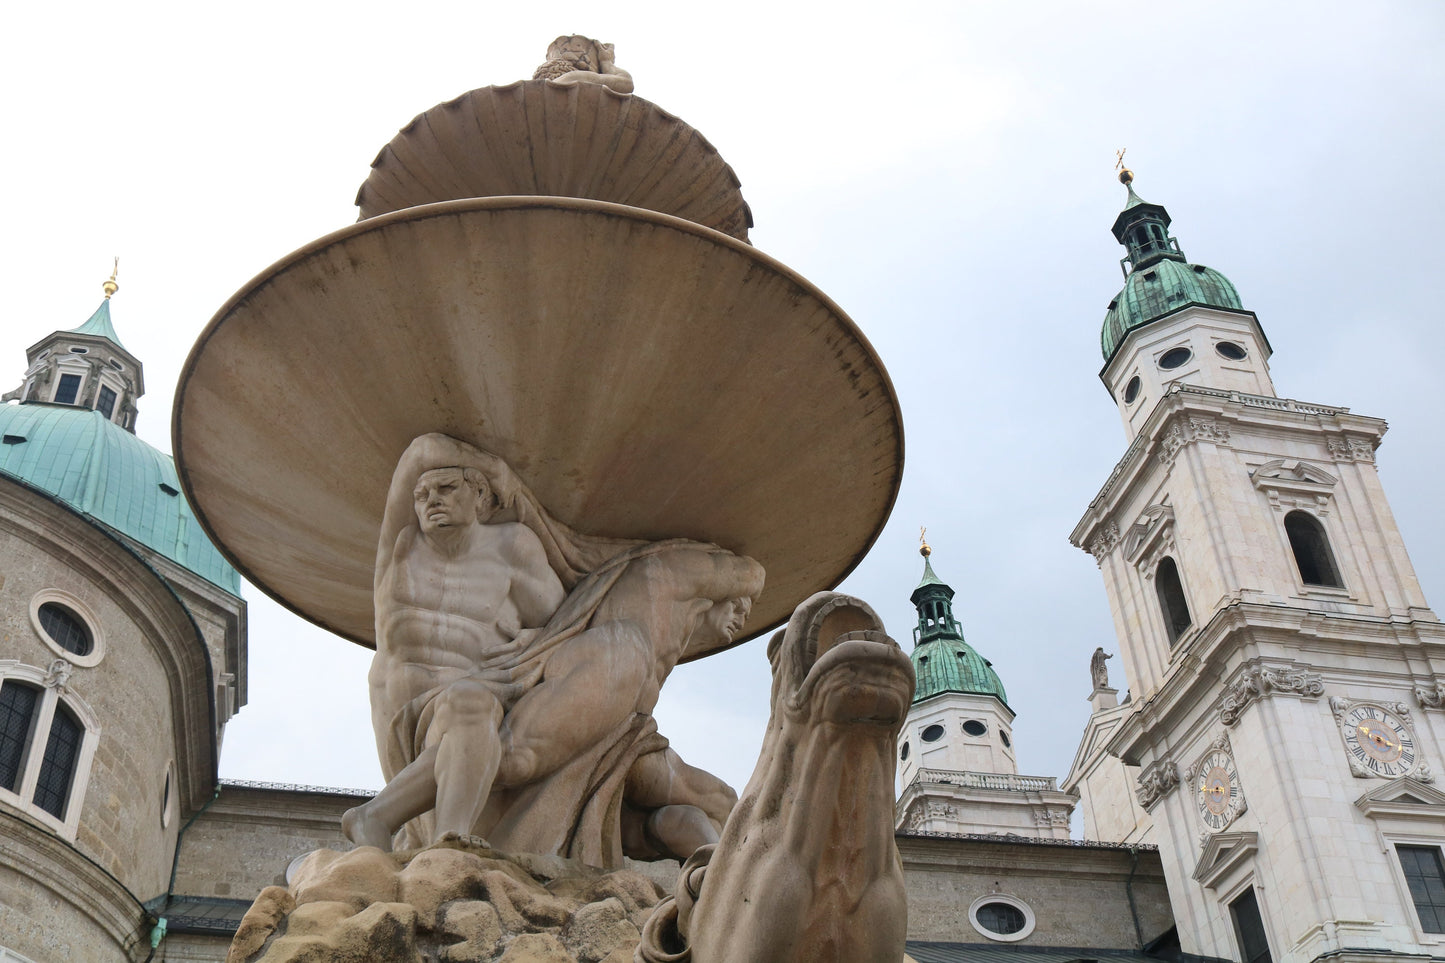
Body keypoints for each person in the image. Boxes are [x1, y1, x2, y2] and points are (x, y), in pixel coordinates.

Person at [343, 433, 762, 859]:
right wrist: (504, 474)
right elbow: (423, 451)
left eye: (448, 489)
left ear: (481, 497)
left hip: (486, 702)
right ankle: (442, 846)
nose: (431, 501)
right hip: (414, 714)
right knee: (473, 707)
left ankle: (430, 838)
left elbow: (561, 621)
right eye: (422, 494)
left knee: (478, 704)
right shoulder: (401, 548)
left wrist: (532, 640)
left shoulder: (511, 548)